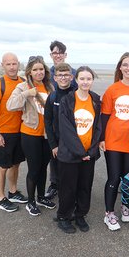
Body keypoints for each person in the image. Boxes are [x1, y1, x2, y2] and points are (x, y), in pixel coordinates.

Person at [100, 52, 129, 231]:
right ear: (120, 68)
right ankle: (109, 213)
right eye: (125, 65)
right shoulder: (113, 89)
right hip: (113, 141)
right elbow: (104, 117)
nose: (128, 68)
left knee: (128, 178)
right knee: (113, 177)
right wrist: (102, 139)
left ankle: (125, 206)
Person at [7, 55, 55, 216]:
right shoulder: (23, 87)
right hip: (30, 134)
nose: (39, 72)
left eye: (41, 69)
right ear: (29, 71)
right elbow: (10, 105)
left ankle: (41, 197)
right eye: (35, 69)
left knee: (43, 168)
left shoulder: (50, 87)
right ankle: (31, 202)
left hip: (47, 136)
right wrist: (27, 93)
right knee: (34, 169)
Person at [55, 66, 101, 234]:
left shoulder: (95, 100)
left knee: (84, 186)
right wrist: (80, 152)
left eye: (88, 79)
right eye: (82, 78)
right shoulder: (67, 100)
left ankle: (80, 214)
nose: (85, 82)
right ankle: (64, 217)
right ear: (76, 79)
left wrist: (91, 152)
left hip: (89, 155)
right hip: (70, 155)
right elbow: (66, 130)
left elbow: (98, 128)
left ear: (92, 80)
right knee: (68, 187)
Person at [0, 52, 27, 212]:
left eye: (14, 63)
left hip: (20, 132)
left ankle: (13, 192)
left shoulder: (23, 82)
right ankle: (1, 198)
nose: (12, 67)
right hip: (4, 133)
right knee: (2, 167)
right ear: (2, 65)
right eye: (8, 64)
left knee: (15, 164)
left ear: (18, 64)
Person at [46, 41, 78, 199]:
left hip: (71, 123)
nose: (57, 55)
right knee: (54, 156)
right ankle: (54, 185)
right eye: (54, 52)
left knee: (71, 157)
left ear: (65, 55)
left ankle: (71, 187)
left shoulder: (72, 72)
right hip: (53, 119)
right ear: (51, 55)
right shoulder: (47, 73)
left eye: (60, 52)